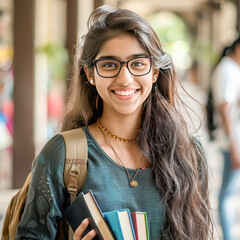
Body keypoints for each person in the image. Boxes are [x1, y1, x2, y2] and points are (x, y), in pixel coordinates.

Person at [15, 5, 213, 240]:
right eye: (109, 64)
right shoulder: (62, 155)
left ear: (155, 72)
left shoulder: (189, 154)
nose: (125, 78)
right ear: (90, 73)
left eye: (138, 63)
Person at [212, 37, 240, 240]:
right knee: (225, 195)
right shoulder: (228, 69)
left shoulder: (231, 69)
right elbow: (224, 106)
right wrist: (234, 144)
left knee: (228, 194)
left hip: (234, 140)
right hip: (233, 141)